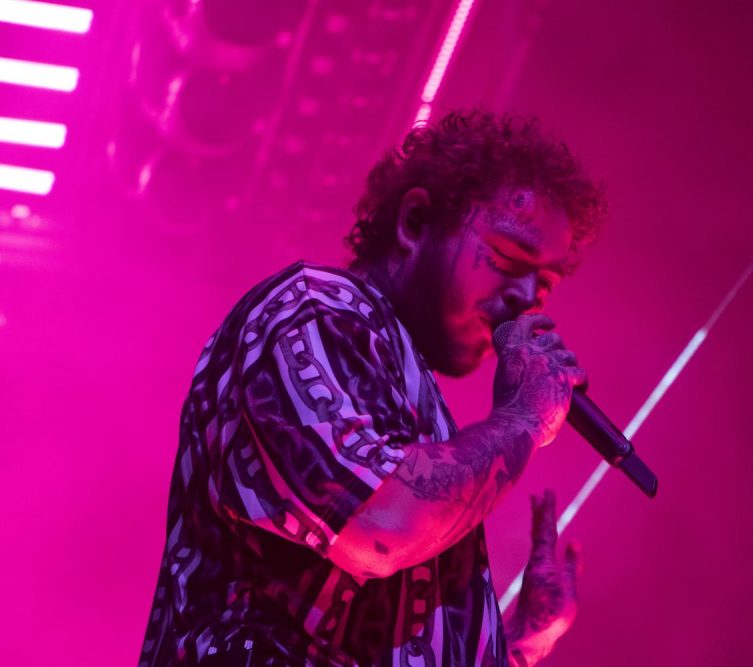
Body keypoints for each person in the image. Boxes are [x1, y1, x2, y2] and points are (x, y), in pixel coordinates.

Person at [139, 109, 608, 666]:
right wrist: (522, 420)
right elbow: (380, 525)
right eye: (507, 259)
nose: (526, 298)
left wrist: (523, 640)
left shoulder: (417, 401)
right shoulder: (311, 309)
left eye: (545, 284)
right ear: (415, 222)